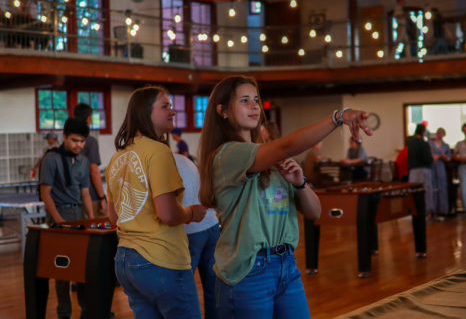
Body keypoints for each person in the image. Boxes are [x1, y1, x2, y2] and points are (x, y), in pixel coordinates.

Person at [198, 76, 372, 318]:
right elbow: (286, 146)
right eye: (244, 100)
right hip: (248, 272)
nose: (254, 106)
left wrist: (300, 182)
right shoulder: (227, 154)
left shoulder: (272, 160)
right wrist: (338, 117)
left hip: (286, 266)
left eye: (256, 100)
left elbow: (314, 212)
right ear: (223, 110)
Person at [106, 86, 208, 319]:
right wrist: (193, 212)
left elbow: (114, 218)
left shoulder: (117, 157)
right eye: (165, 106)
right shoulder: (159, 152)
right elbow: (168, 214)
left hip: (125, 261)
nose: (173, 111)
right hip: (160, 258)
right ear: (145, 112)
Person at [39, 118, 94, 319]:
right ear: (64, 137)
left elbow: (85, 193)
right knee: (62, 270)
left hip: (79, 216)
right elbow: (45, 193)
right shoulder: (51, 158)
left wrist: (92, 219)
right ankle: (64, 314)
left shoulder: (84, 161)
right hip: (58, 215)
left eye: (82, 140)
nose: (79, 145)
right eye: (74, 140)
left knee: (83, 269)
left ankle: (87, 312)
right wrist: (58, 220)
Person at [174, 153, 220, 319]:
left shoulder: (161, 163)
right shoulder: (184, 159)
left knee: (182, 289)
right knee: (213, 287)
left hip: (190, 230)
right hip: (211, 224)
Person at [74, 103, 108, 218]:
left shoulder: (68, 143)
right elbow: (94, 172)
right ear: (89, 118)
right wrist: (102, 197)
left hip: (73, 197)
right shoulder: (90, 141)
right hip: (91, 196)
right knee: (100, 232)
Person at [408, 124, 437, 225]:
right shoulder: (423, 143)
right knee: (426, 191)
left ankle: (415, 212)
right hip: (423, 170)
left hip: (413, 170)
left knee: (414, 192)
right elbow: (427, 158)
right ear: (424, 132)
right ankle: (427, 212)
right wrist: (431, 158)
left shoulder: (410, 142)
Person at [429, 128, 452, 219]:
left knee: (441, 188)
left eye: (442, 133)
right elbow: (430, 155)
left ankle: (441, 210)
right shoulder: (430, 143)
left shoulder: (446, 146)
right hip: (432, 167)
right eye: (439, 132)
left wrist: (445, 157)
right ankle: (431, 210)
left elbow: (449, 158)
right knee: (432, 188)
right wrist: (439, 155)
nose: (440, 134)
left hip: (441, 167)